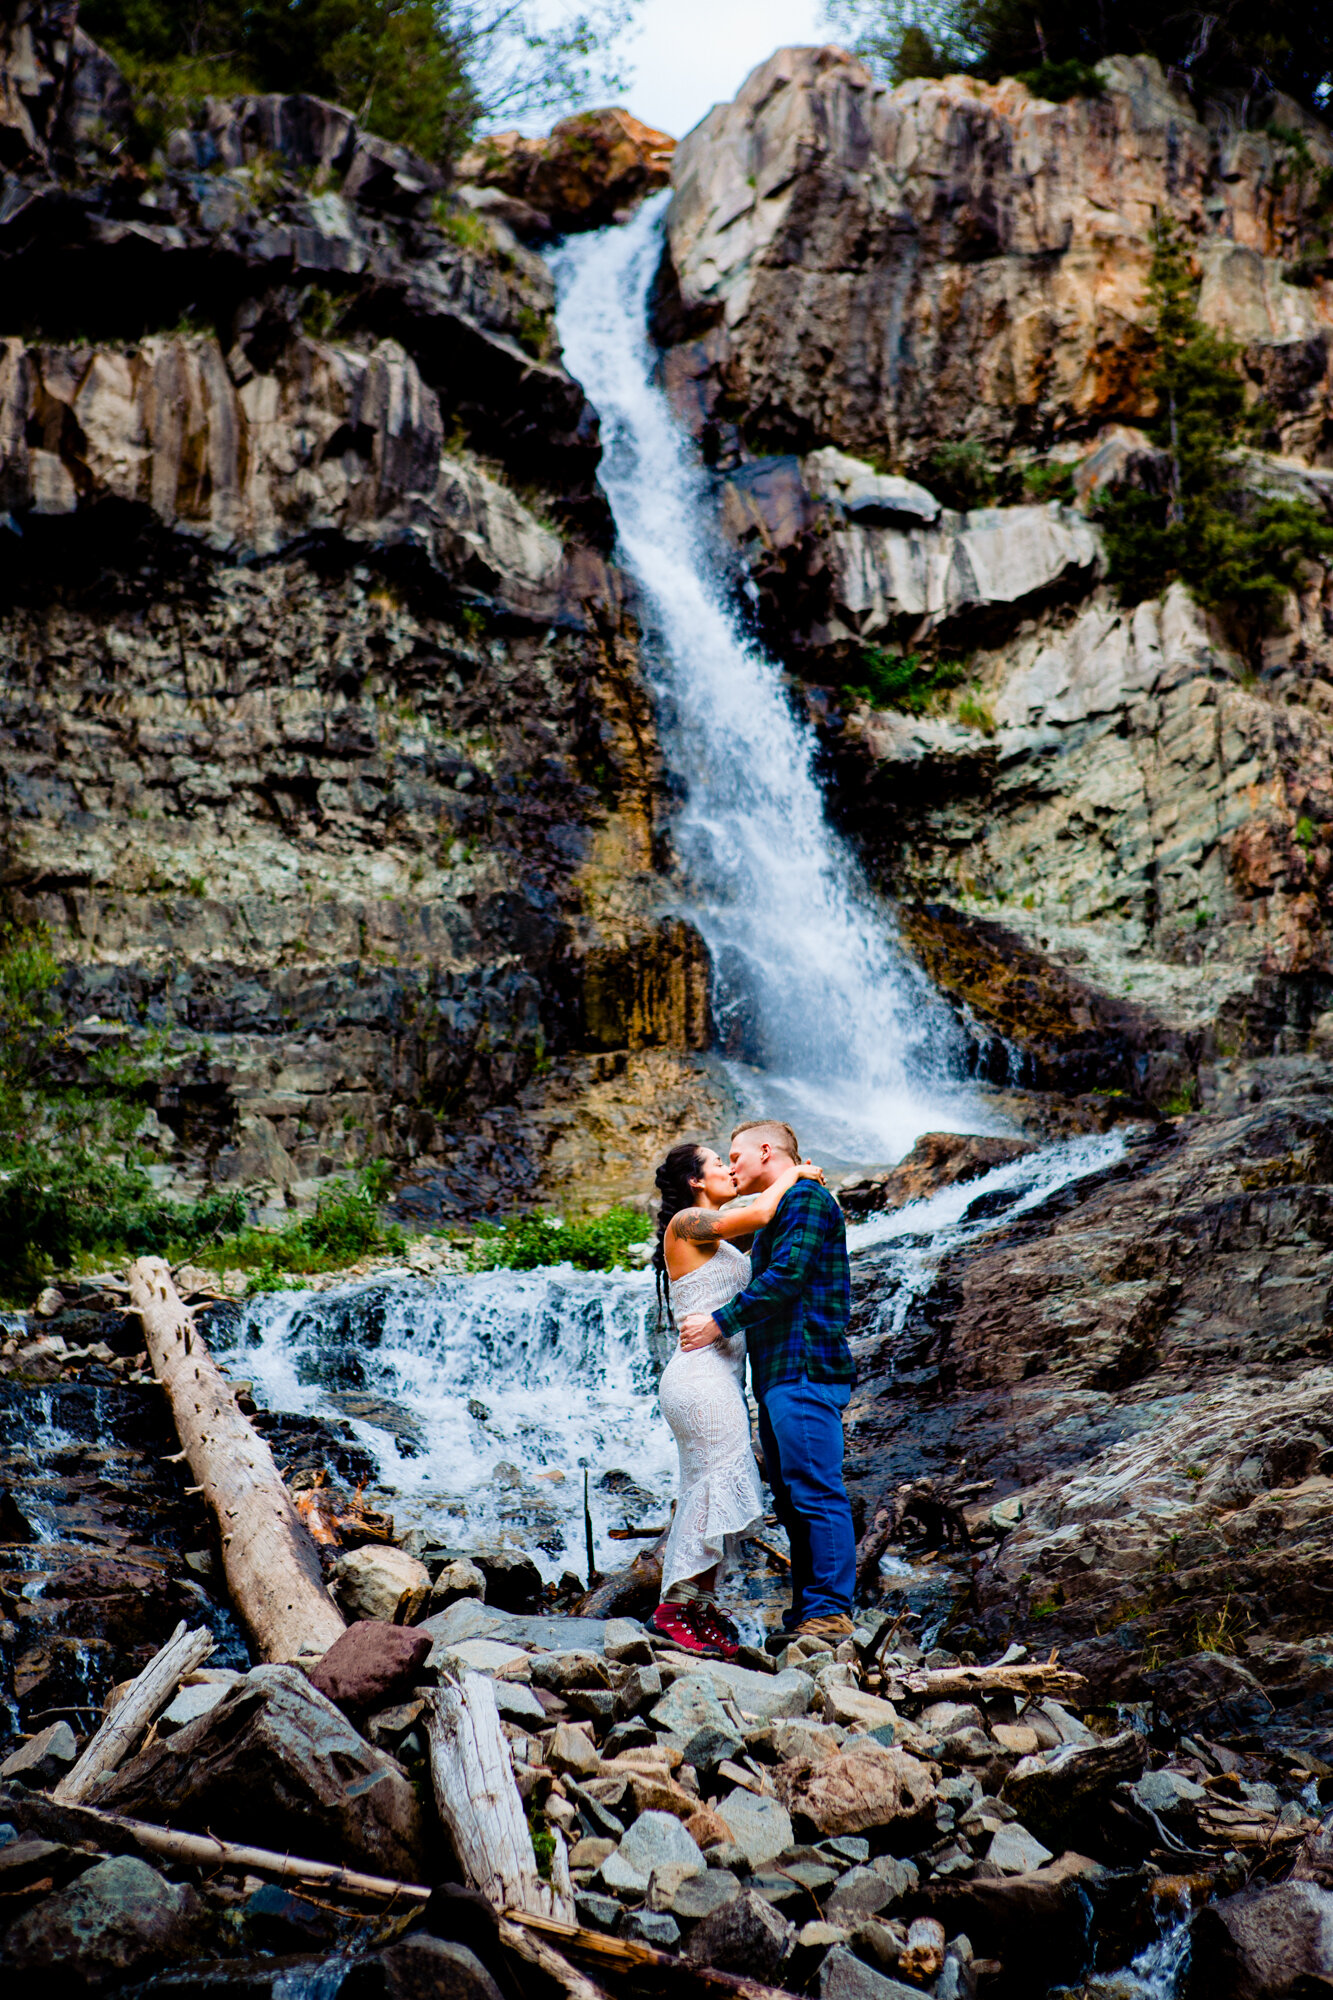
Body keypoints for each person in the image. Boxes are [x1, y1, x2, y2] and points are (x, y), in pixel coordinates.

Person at [679, 1118, 857, 1648]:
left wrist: (717, 1322)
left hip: (804, 1365)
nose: (731, 1166)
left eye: (735, 1155)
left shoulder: (805, 1198)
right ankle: (810, 1613)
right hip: (779, 1373)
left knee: (814, 1487)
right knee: (791, 1491)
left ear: (764, 1151)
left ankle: (830, 1612)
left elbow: (788, 1277)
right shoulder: (783, 1202)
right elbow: (742, 1225)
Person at [651, 1138, 826, 1657]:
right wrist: (792, 1174)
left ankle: (700, 1609)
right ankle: (673, 1608)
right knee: (715, 1480)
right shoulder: (686, 1223)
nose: (729, 1169)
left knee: (713, 1483)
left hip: (720, 1378)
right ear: (694, 1181)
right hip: (699, 1377)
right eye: (717, 1164)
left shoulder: (720, 1243)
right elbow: (760, 1212)